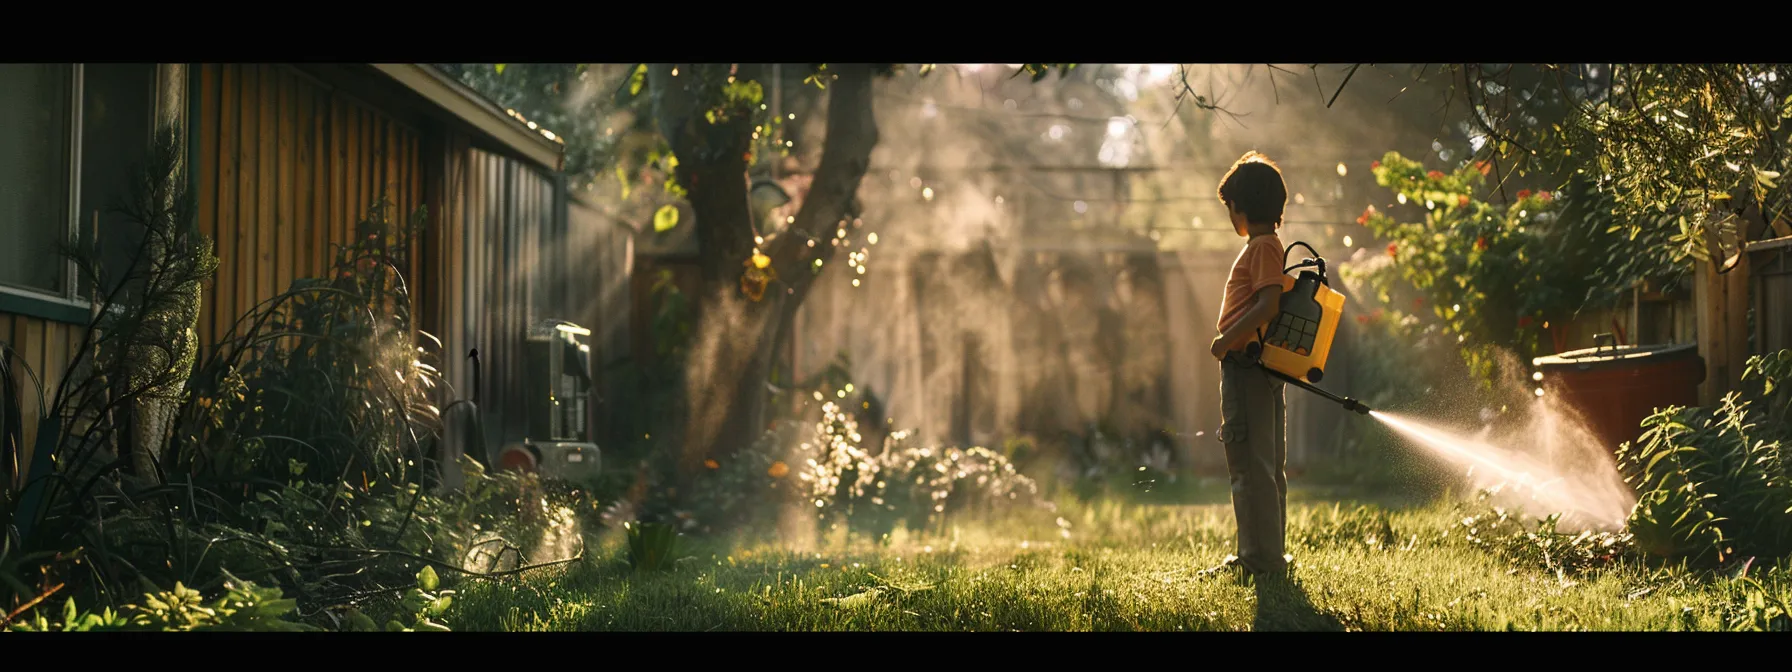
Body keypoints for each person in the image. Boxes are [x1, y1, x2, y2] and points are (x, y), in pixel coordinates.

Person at [1201, 151, 1295, 579]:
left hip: (1245, 367)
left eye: (1230, 209)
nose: (1230, 217)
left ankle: (1258, 561)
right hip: (1261, 370)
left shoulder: (1260, 248)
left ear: (1240, 208)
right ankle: (1269, 556)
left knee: (1248, 464)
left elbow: (1267, 304)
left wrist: (1226, 340)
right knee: (1266, 465)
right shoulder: (1267, 246)